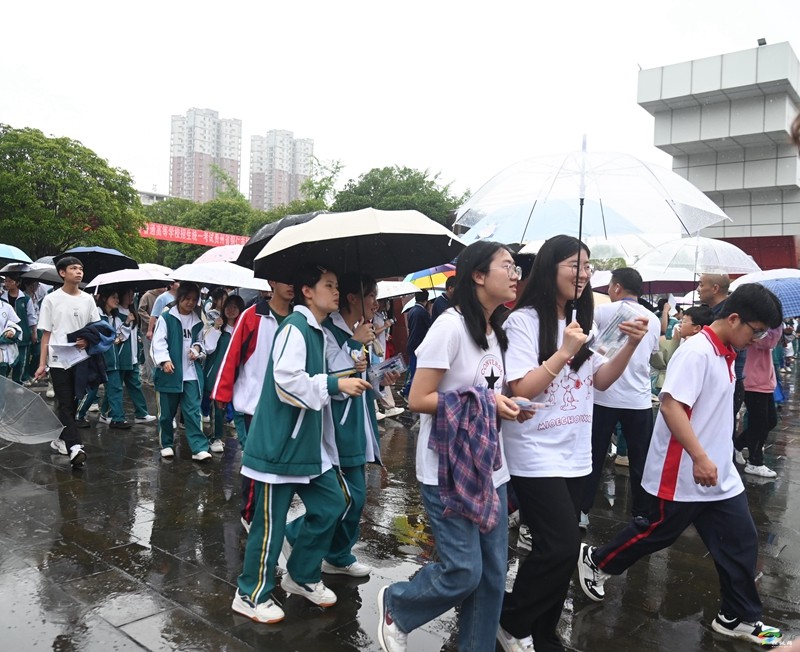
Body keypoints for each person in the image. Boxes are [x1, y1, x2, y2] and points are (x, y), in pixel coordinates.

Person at [577, 283, 784, 647]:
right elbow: (673, 407)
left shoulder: (727, 352)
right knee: (657, 531)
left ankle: (738, 616)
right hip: (684, 470)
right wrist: (700, 457)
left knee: (741, 540)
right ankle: (597, 560)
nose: (759, 339)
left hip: (719, 474)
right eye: (757, 330)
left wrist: (715, 457)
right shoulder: (697, 352)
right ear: (734, 318)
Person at [377, 241, 531, 652]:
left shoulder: (494, 328)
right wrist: (485, 402)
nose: (515, 274)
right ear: (478, 276)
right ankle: (399, 604)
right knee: (463, 570)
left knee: (493, 575)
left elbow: (488, 389)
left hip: (490, 467)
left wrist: (507, 405)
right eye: (507, 266)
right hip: (447, 469)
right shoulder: (450, 327)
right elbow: (417, 399)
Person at [497, 235, 648, 652]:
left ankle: (544, 633)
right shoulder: (523, 321)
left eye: (587, 266)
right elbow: (521, 386)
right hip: (534, 451)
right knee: (560, 543)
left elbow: (599, 380)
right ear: (550, 268)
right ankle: (511, 620)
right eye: (574, 265)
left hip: (575, 451)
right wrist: (564, 351)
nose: (583, 274)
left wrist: (631, 344)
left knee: (558, 550)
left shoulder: (586, 322)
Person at [231, 264, 371, 624]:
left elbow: (321, 377)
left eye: (337, 285)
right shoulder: (295, 328)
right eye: (329, 285)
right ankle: (249, 593)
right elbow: (287, 381)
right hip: (279, 446)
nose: (336, 292)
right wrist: (336, 385)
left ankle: (302, 574)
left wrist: (349, 369)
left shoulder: (317, 331)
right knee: (269, 523)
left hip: (308, 445)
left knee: (334, 502)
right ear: (308, 291)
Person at [285, 273, 394, 578]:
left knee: (354, 497)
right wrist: (352, 341)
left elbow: (359, 375)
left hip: (359, 422)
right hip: (336, 425)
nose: (375, 303)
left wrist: (379, 377)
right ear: (353, 297)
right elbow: (329, 372)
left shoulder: (361, 331)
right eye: (371, 295)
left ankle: (338, 554)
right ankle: (296, 534)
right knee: (350, 496)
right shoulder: (327, 330)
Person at [579, 268, 660, 530]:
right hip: (638, 400)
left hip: (603, 397)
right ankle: (642, 513)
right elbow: (651, 354)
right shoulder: (654, 320)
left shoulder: (601, 313)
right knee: (641, 458)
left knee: (593, 456)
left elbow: (592, 349)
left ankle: (582, 510)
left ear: (616, 288)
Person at [212, 278, 294, 532]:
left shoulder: (299, 317)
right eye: (283, 277)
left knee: (279, 462)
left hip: (288, 403)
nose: (291, 284)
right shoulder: (253, 315)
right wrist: (221, 394)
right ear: (271, 282)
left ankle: (270, 510)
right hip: (254, 404)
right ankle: (249, 514)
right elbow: (232, 356)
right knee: (255, 461)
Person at [34, 256, 100, 467]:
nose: (79, 272)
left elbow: (95, 328)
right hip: (57, 358)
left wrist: (86, 340)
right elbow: (46, 333)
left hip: (80, 357)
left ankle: (61, 438)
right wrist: (42, 363)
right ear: (62, 273)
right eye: (73, 268)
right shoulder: (51, 299)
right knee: (64, 400)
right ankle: (75, 446)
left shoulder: (88, 299)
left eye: (81, 269)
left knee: (73, 400)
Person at [151, 281, 212, 462]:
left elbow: (202, 342)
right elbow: (158, 342)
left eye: (194, 300)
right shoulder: (166, 318)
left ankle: (199, 447)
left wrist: (196, 349)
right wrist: (165, 361)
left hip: (191, 374)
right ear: (179, 298)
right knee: (167, 413)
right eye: (187, 299)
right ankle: (167, 444)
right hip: (170, 373)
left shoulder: (198, 321)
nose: (190, 303)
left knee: (193, 411)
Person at [733, 318, 783, 478]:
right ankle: (755, 462)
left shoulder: (764, 327)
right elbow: (768, 342)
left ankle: (738, 444)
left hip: (764, 379)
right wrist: (776, 324)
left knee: (770, 421)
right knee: (759, 423)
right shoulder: (753, 328)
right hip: (753, 380)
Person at [75, 289, 131, 429]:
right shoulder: (96, 314)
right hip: (97, 359)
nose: (117, 300)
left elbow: (119, 335)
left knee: (115, 388)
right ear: (104, 298)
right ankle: (77, 415)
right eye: (114, 297)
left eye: (118, 297)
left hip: (112, 359)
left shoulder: (113, 317)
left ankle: (118, 418)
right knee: (91, 389)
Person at [202, 294, 245, 453]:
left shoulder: (243, 330)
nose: (231, 310)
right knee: (218, 407)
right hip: (218, 373)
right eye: (228, 306)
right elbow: (209, 348)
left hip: (238, 374)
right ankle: (216, 437)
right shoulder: (218, 327)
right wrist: (216, 329)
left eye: (235, 307)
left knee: (240, 408)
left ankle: (244, 441)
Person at [114, 287, 156, 425]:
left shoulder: (132, 311)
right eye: (129, 294)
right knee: (116, 386)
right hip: (121, 356)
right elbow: (118, 336)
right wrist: (126, 322)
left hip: (132, 355)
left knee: (135, 385)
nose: (132, 297)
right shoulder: (116, 313)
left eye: (133, 295)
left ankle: (141, 413)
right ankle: (107, 413)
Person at [1, 274, 37, 384]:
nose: (7, 284)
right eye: (6, 281)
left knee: (22, 360)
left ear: (17, 283)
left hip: (23, 333)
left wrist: (34, 332)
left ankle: (19, 381)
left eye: (10, 281)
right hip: (5, 335)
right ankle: (4, 381)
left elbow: (32, 316)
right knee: (6, 361)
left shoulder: (25, 298)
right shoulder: (2, 299)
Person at [400, 290, 431, 399]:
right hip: (418, 346)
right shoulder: (423, 312)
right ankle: (406, 391)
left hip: (412, 344)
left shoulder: (412, 311)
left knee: (413, 369)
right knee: (416, 372)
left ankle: (406, 389)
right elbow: (431, 327)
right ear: (426, 300)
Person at [137, 285, 166, 386]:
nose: (164, 288)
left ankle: (144, 375)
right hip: (147, 329)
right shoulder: (147, 296)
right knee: (149, 354)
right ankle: (150, 378)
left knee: (151, 354)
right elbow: (140, 310)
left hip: (160, 329)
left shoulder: (165, 296)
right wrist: (151, 321)